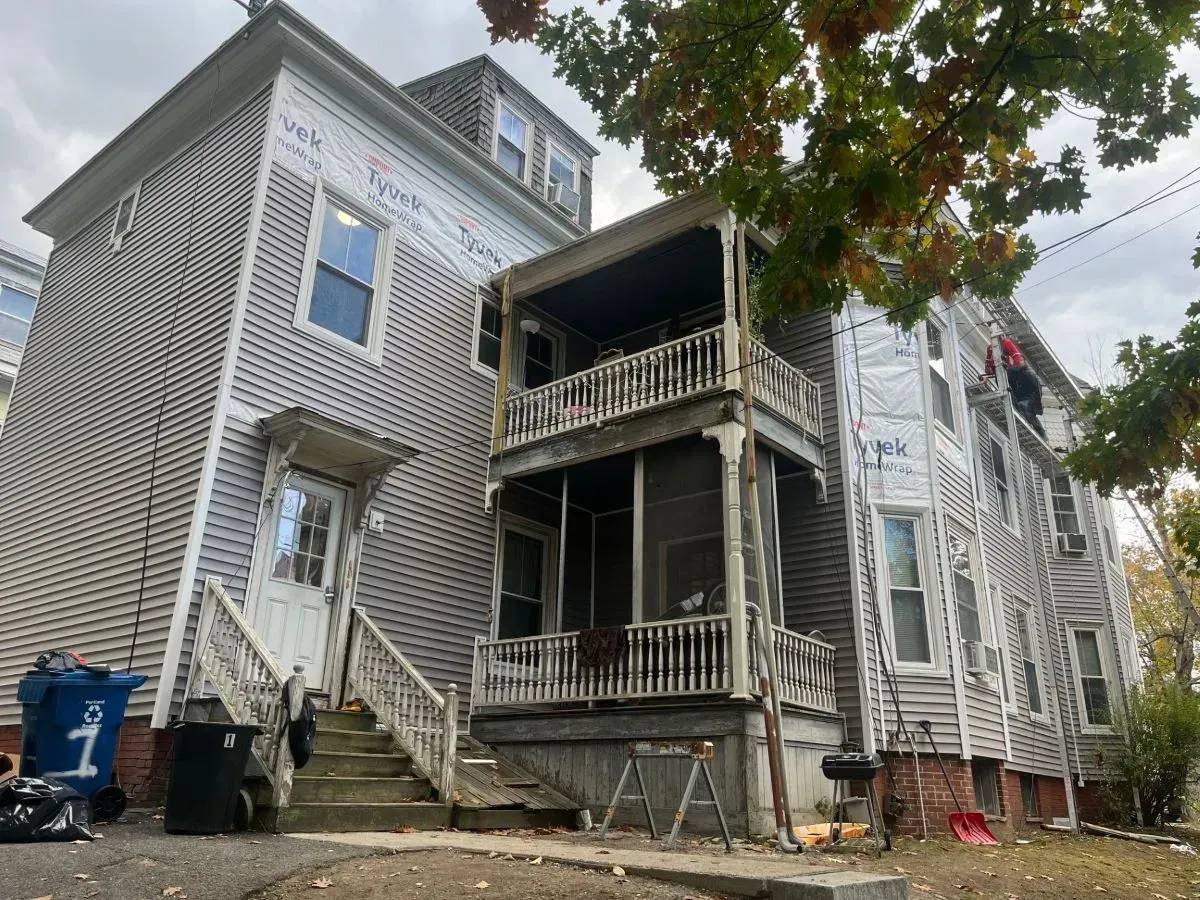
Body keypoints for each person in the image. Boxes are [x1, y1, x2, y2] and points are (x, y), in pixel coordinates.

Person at [985, 338, 1046, 438]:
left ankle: (1041, 434)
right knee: (1017, 407)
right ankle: (1023, 424)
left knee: (1026, 410)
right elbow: (989, 365)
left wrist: (1038, 405)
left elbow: (1037, 388)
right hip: (1018, 395)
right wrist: (989, 372)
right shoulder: (1011, 376)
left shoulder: (1026, 375)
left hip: (1028, 397)